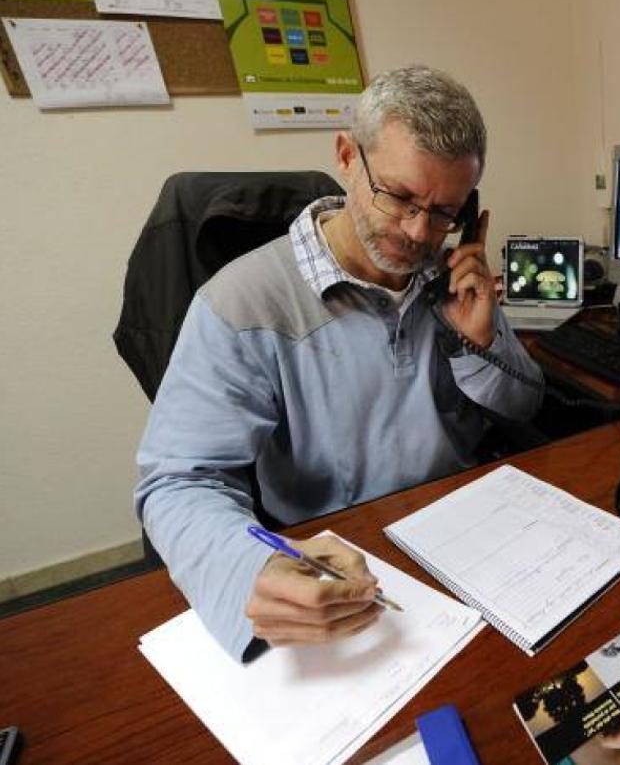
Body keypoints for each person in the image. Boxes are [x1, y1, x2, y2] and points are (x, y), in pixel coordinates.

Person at [135, 65, 543, 662]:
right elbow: (178, 481)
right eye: (399, 197)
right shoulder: (242, 302)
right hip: (333, 559)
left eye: (444, 212)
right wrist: (249, 566)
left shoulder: (453, 279)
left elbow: (525, 407)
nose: (418, 232)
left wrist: (478, 340)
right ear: (348, 156)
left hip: (460, 539)